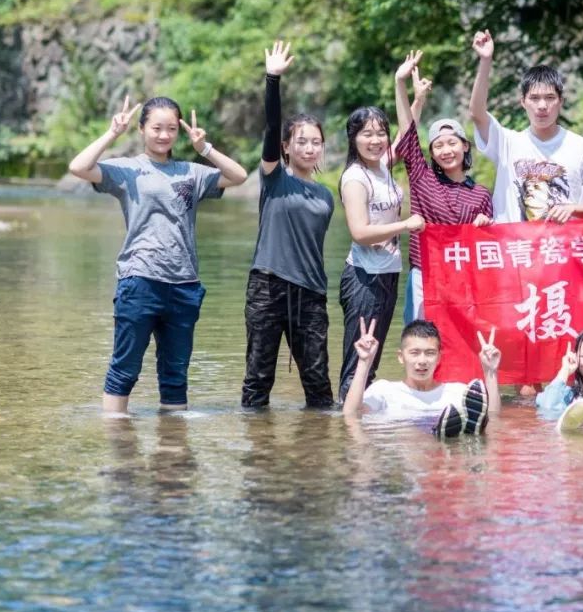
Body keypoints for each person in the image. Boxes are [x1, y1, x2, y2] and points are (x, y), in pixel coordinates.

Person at [68, 95, 248, 413]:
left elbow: (239, 176)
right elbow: (79, 167)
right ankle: (119, 449)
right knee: (124, 371)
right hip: (139, 281)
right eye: (156, 128)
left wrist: (204, 148)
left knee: (175, 377)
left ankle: (173, 453)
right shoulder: (127, 171)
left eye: (170, 129)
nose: (164, 135)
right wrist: (112, 134)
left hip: (184, 285)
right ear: (142, 129)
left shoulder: (191, 172)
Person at [241, 41, 335, 409]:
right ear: (286, 147)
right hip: (267, 286)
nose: (310, 148)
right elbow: (270, 125)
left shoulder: (327, 195)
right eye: (302, 141)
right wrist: (272, 80)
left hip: (311, 293)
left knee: (318, 382)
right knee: (259, 376)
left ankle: (317, 451)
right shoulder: (274, 178)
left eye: (316, 142)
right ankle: (258, 453)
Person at [392, 50, 493, 324]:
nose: (446, 150)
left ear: (465, 146)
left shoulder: (481, 194)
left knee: (462, 347)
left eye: (452, 142)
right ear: (432, 154)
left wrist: (486, 224)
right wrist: (400, 85)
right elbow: (408, 131)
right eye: (438, 145)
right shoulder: (423, 179)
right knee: (419, 343)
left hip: (464, 279)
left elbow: (491, 246)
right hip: (424, 274)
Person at [468, 29, 583, 224]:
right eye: (534, 98)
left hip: (564, 249)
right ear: (523, 101)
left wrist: (571, 209)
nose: (542, 106)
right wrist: (485, 61)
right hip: (516, 249)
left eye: (549, 98)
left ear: (560, 101)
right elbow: (476, 114)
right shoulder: (507, 143)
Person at [337, 106, 426, 398]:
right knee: (358, 363)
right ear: (353, 139)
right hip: (364, 278)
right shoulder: (355, 178)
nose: (375, 140)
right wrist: (405, 225)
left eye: (380, 134)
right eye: (367, 134)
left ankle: (363, 430)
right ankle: (349, 430)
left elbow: (405, 133)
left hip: (386, 274)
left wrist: (416, 100)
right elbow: (360, 232)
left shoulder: (382, 167)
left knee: (371, 361)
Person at [342, 318, 502, 439]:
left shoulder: (458, 391)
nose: (422, 361)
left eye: (430, 353)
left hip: (444, 462)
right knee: (408, 432)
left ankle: (451, 435)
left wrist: (490, 372)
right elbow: (351, 415)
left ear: (439, 358)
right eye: (414, 353)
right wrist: (364, 362)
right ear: (401, 357)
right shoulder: (384, 390)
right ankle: (441, 434)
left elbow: (493, 419)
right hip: (404, 453)